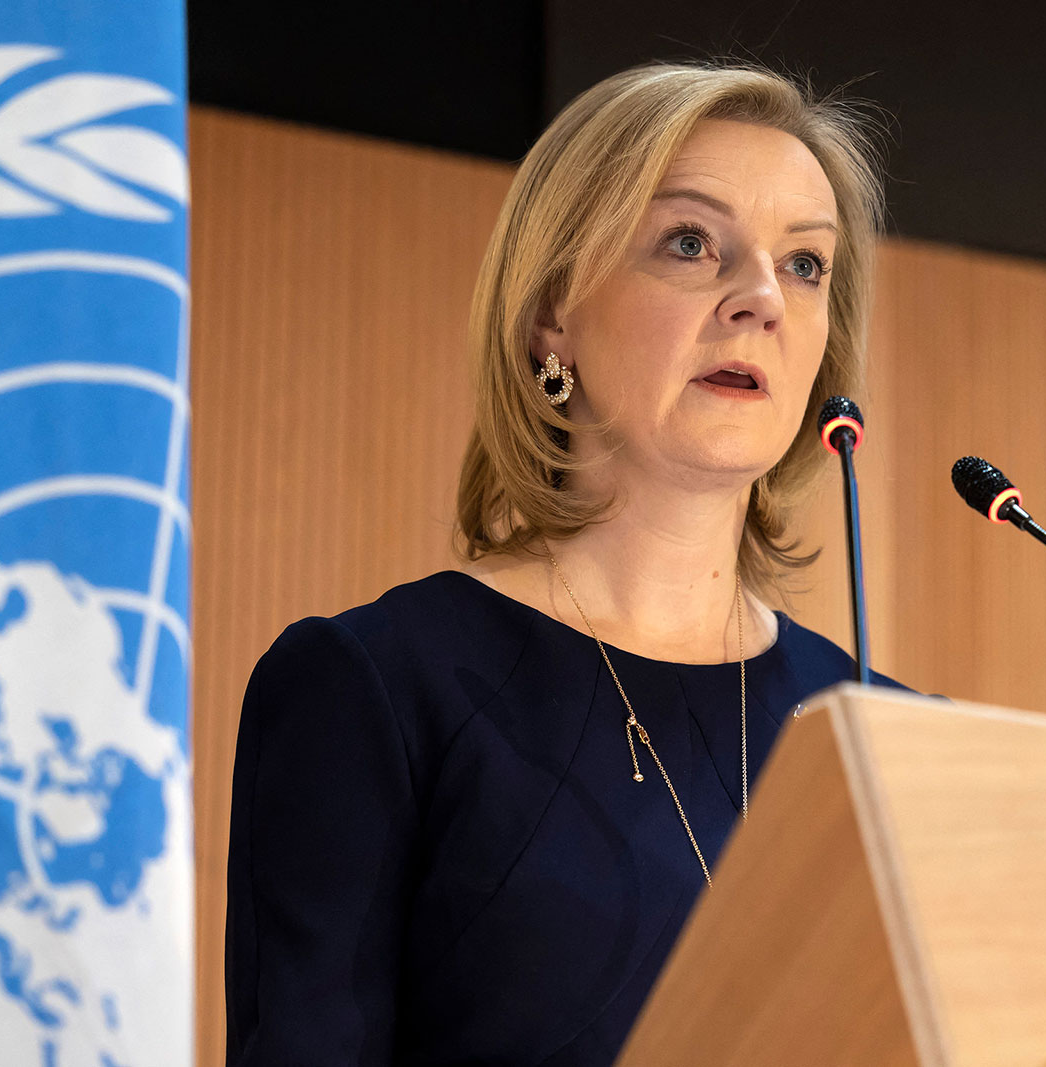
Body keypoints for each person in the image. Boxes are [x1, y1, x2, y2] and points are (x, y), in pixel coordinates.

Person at [224, 60, 909, 1066]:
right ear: (553, 312)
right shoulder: (377, 689)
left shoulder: (894, 736)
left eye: (805, 264)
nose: (762, 296)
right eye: (690, 242)